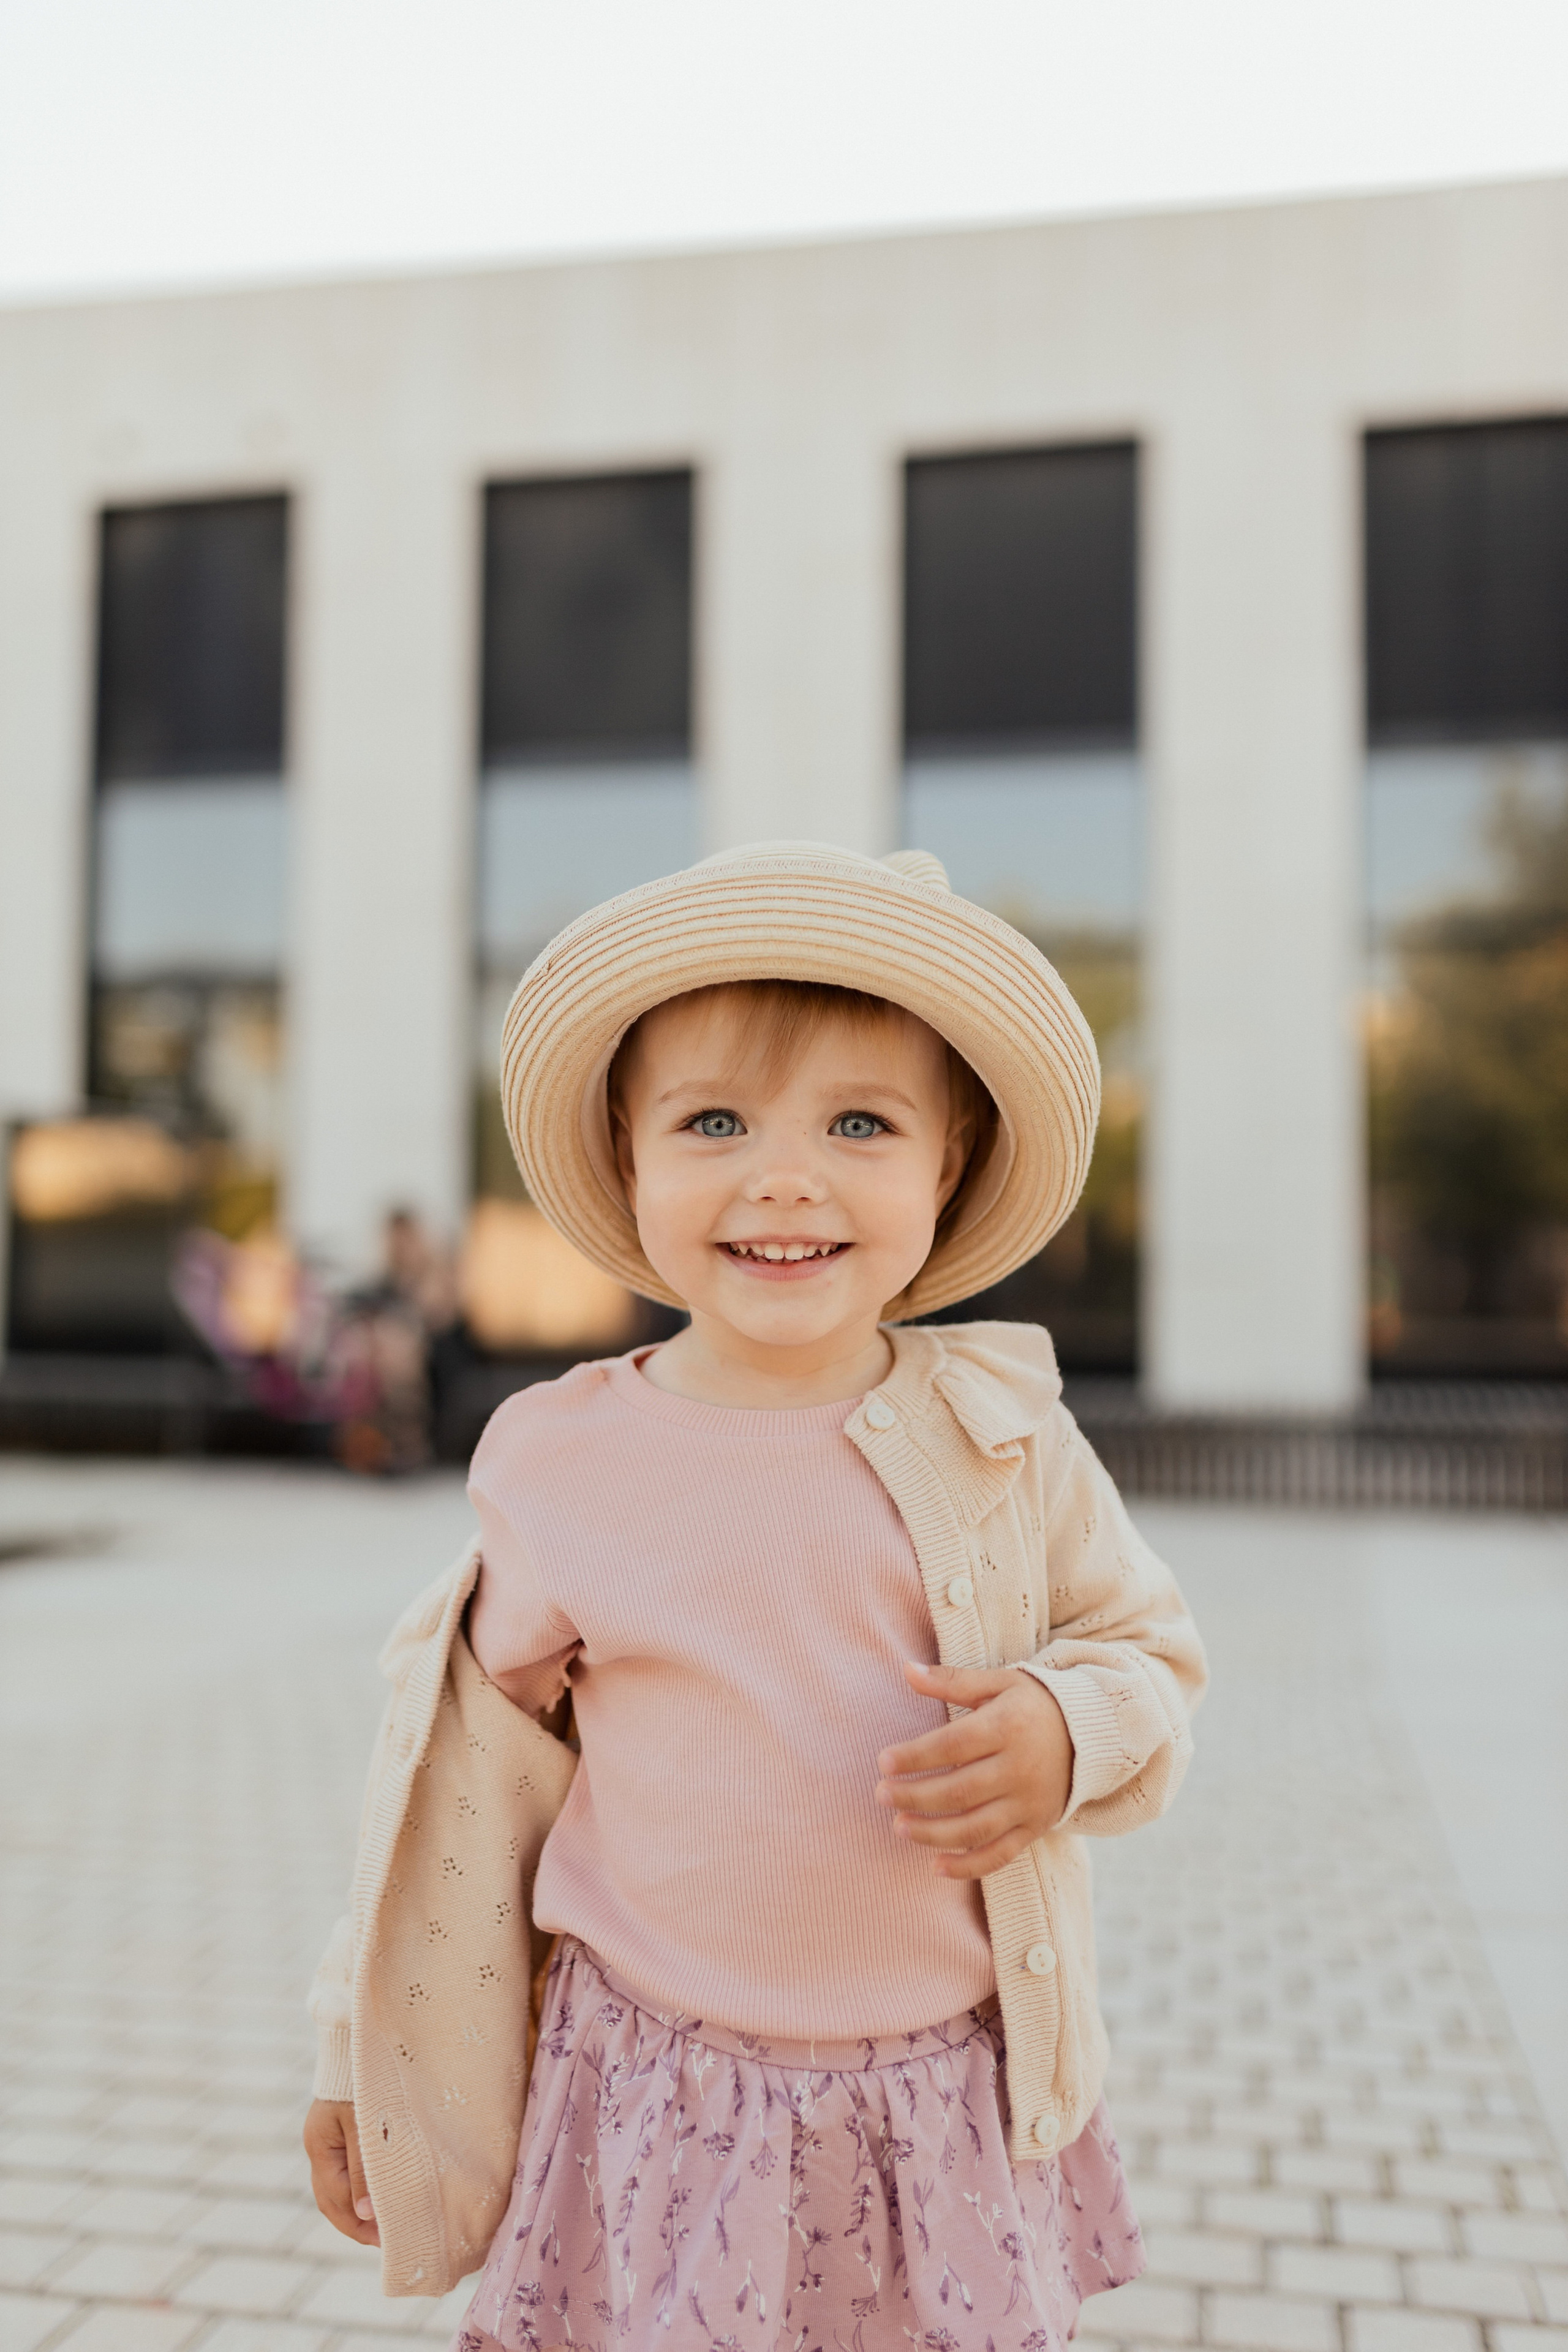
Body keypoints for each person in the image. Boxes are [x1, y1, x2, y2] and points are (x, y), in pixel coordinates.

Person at [302, 843, 1208, 2351]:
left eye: (861, 1122)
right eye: (713, 1119)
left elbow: (1147, 1653)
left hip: (933, 2088)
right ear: (628, 1152)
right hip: (659, 2089)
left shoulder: (1004, 1432)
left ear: (950, 1164)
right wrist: (356, 2041)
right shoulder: (565, 1457)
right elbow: (445, 1775)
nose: (783, 1175)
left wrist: (1064, 1724)